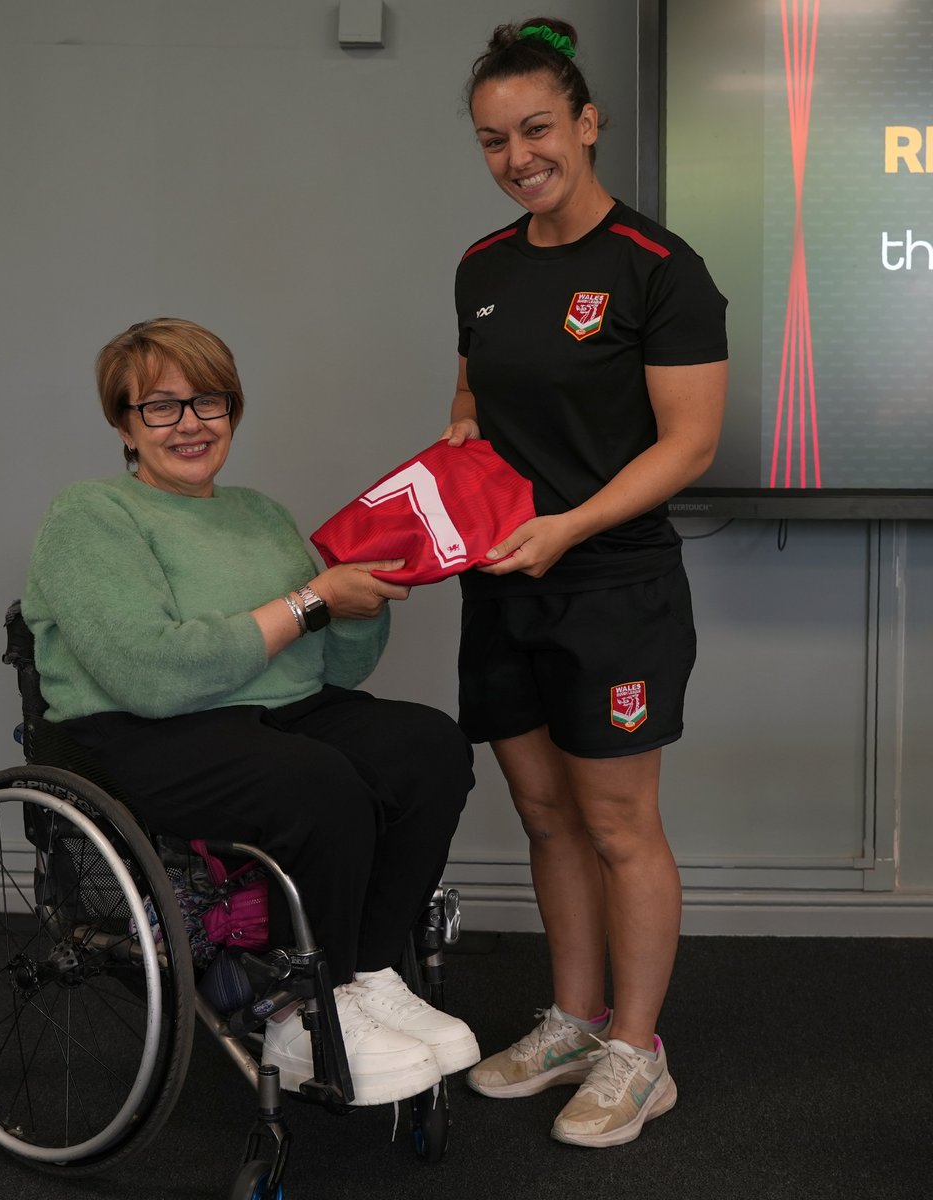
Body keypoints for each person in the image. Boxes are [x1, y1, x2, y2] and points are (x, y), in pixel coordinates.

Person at [22, 316, 480, 1107]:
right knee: (317, 782)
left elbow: (338, 665)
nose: (190, 423)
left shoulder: (261, 514)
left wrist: (359, 605)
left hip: (274, 713)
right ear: (124, 425)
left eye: (210, 402)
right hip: (143, 728)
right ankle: (307, 1011)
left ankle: (366, 975)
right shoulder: (90, 514)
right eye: (160, 407)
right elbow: (151, 674)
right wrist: (310, 600)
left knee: (428, 746)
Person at [444, 19, 728, 1147]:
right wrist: (457, 454)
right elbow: (475, 402)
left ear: (587, 121)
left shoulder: (660, 269)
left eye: (538, 129)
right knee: (544, 811)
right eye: (494, 139)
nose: (518, 156)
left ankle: (636, 1053)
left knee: (620, 826)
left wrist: (568, 526)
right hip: (505, 580)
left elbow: (689, 445)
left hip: (611, 585)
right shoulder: (481, 267)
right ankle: (572, 1018)